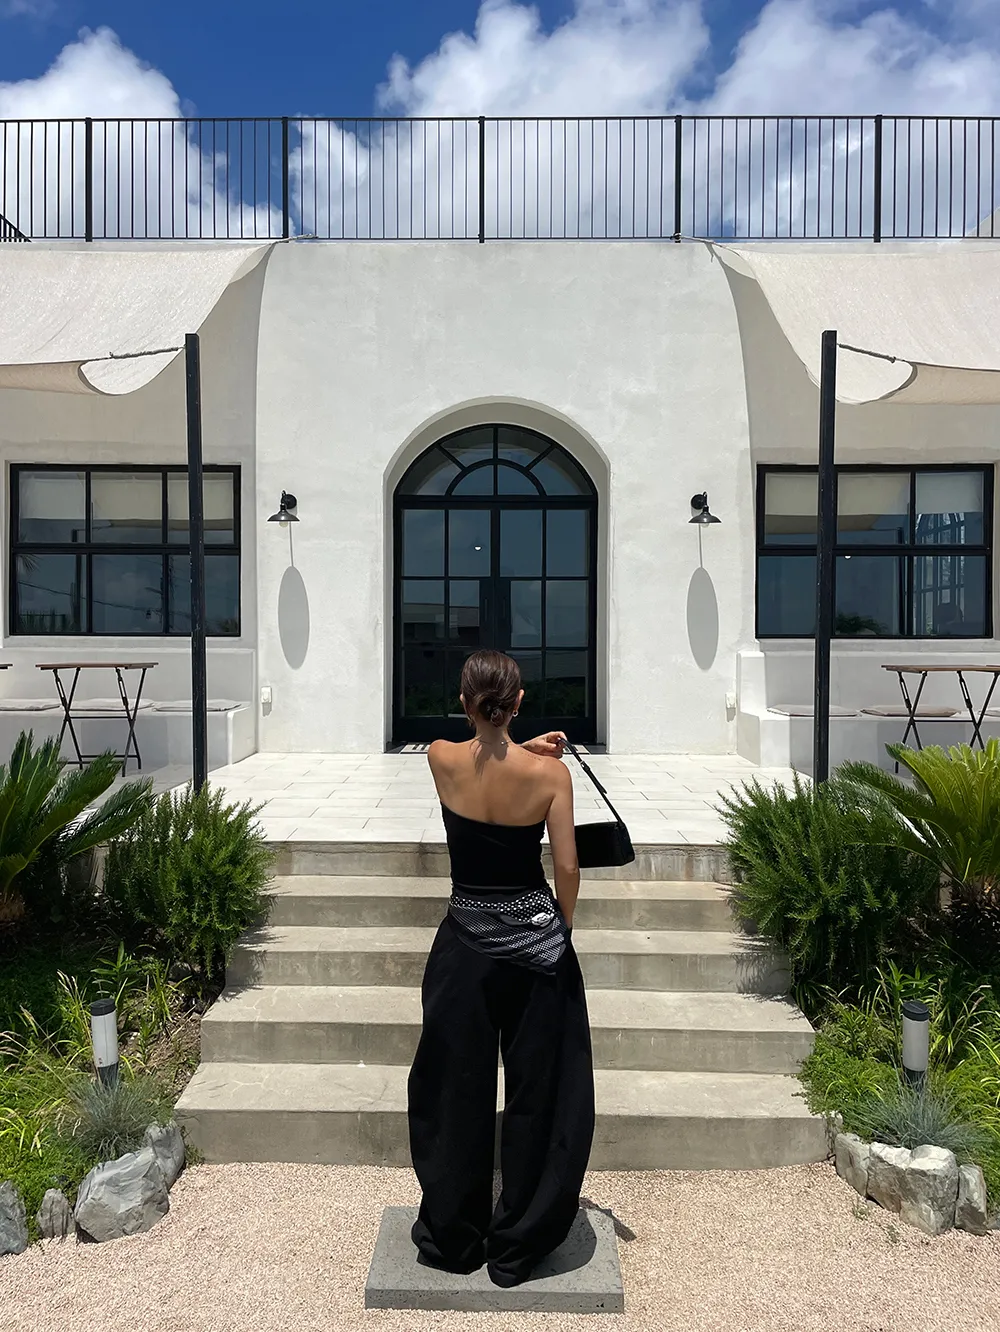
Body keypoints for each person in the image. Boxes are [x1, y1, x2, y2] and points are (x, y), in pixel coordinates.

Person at [407, 648, 595, 1288]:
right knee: (542, 1091)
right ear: (518, 702)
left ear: (465, 702)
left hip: (462, 945)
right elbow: (566, 866)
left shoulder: (439, 757)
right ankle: (519, 1241)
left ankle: (455, 1236)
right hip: (536, 950)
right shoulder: (551, 779)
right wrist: (561, 928)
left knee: (452, 1087)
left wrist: (513, 742)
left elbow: (479, 751)